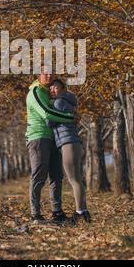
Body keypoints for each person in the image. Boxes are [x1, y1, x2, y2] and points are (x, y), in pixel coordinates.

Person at [26, 68, 75, 222]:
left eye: (51, 73)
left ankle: (57, 213)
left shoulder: (49, 91)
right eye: (45, 73)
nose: (49, 75)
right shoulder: (35, 91)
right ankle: (35, 214)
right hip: (39, 137)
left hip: (53, 137)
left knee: (56, 176)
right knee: (39, 175)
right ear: (38, 74)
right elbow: (46, 113)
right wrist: (70, 117)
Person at [48, 79, 91, 223]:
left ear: (62, 88)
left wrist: (47, 108)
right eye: (51, 89)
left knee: (74, 180)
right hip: (74, 143)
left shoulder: (58, 102)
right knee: (77, 179)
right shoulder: (69, 102)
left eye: (55, 87)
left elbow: (50, 121)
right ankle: (84, 212)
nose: (52, 90)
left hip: (68, 143)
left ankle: (80, 212)